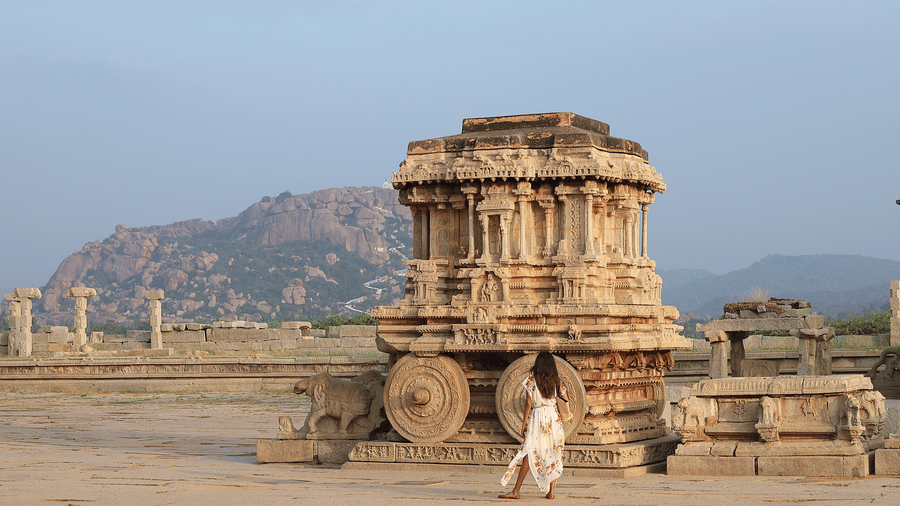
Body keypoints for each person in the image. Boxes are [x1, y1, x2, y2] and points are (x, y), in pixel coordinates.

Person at [499, 351, 568, 500]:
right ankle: (551, 492)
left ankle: (516, 490)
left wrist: (524, 423)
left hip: (537, 418)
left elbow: (528, 404)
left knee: (529, 451)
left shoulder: (531, 380)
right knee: (554, 453)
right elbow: (565, 399)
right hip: (553, 418)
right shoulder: (557, 381)